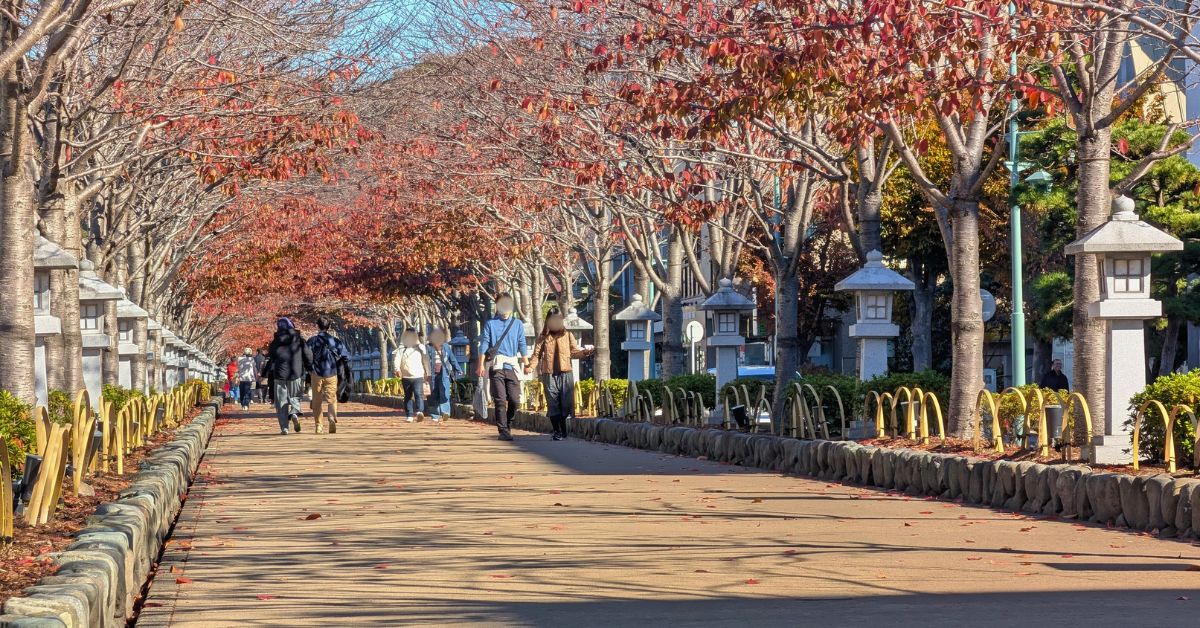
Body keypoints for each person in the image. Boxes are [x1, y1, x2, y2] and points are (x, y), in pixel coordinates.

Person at [528, 307, 593, 440]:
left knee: (566, 404)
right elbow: (536, 355)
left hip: (566, 373)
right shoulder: (543, 337)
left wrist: (586, 352)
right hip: (549, 374)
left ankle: (563, 430)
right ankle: (557, 431)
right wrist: (530, 367)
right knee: (553, 403)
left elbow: (574, 352)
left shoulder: (568, 335)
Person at [477, 293, 527, 441]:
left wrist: (527, 364)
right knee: (500, 399)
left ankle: (508, 423)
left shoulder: (517, 324)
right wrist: (481, 364)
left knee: (514, 400)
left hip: (512, 366)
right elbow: (484, 344)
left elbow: (522, 343)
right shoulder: (490, 324)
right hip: (496, 366)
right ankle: (503, 430)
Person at [263, 317, 312, 434]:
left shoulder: (275, 343)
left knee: (281, 402)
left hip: (279, 375)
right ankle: (294, 413)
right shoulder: (299, 340)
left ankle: (284, 427)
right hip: (296, 373)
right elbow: (308, 355)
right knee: (295, 396)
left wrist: (265, 374)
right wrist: (309, 367)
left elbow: (271, 359)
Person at [307, 317, 350, 434]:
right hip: (331, 373)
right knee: (332, 399)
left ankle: (318, 425)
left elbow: (306, 356)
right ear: (329, 326)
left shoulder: (312, 341)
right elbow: (346, 356)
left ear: (318, 326)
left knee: (316, 400)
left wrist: (309, 368)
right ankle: (331, 418)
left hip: (316, 373)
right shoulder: (335, 341)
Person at [393, 329, 430, 422]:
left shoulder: (421, 347)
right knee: (408, 396)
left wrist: (428, 373)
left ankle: (419, 412)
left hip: (418, 375)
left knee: (418, 394)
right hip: (405, 376)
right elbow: (397, 359)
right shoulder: (402, 348)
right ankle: (409, 415)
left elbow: (426, 360)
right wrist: (397, 369)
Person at [425, 328, 461, 422]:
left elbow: (452, 358)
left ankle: (445, 413)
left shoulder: (445, 346)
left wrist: (458, 369)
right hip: (431, 374)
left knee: (444, 393)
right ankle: (435, 415)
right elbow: (424, 360)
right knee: (433, 394)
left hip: (443, 373)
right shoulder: (428, 347)